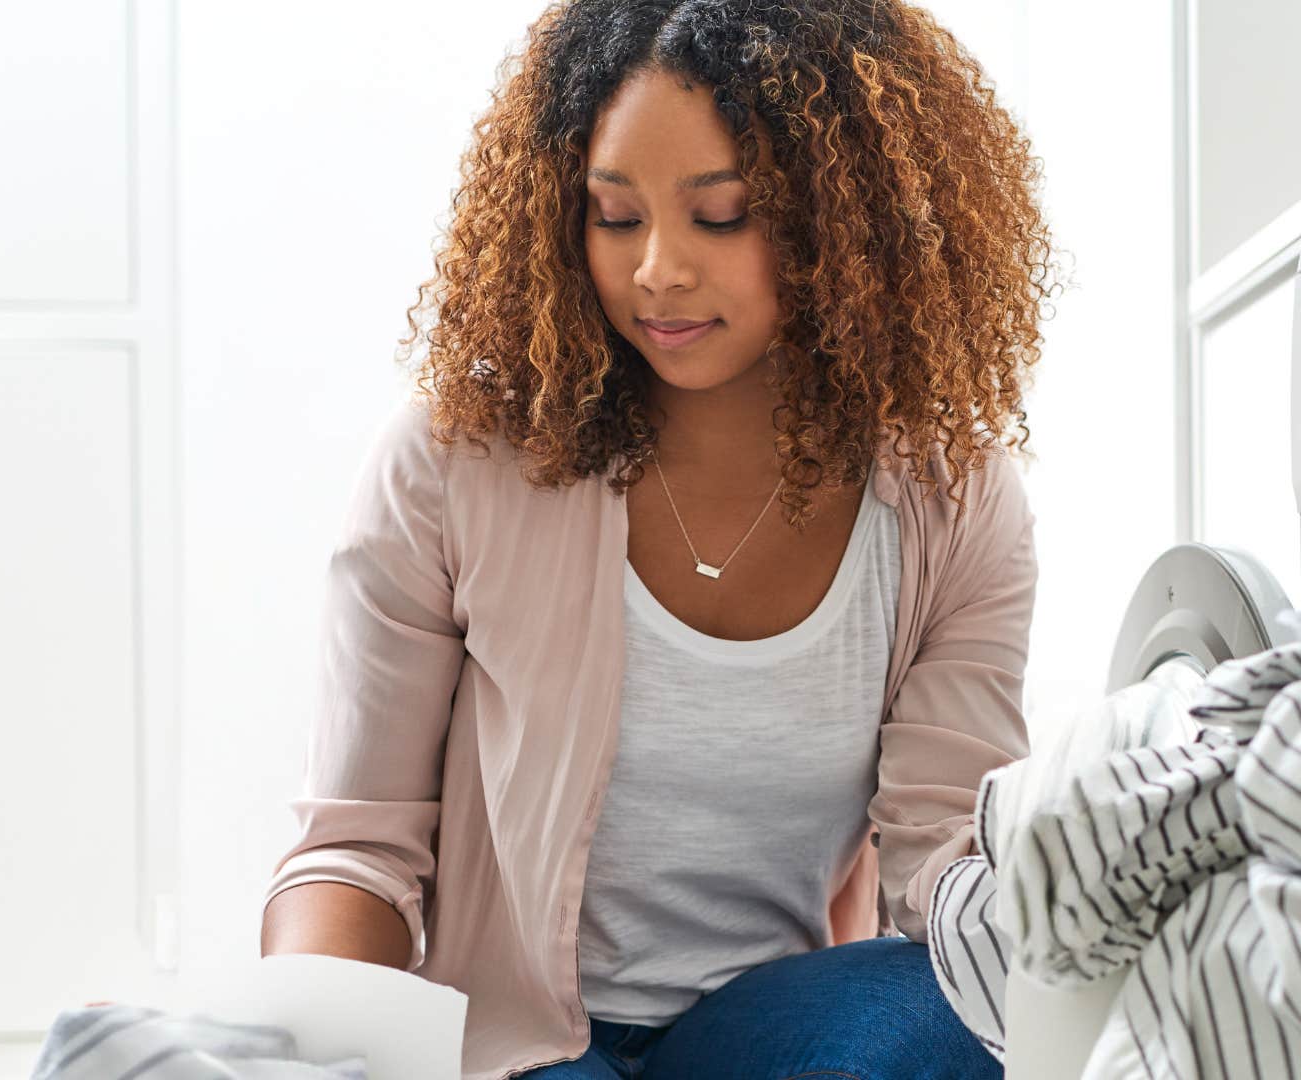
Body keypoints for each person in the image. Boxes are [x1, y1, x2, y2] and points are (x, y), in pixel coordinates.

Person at [260, 1, 1057, 1077]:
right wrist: (309, 1048)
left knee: (964, 1008)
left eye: (721, 215)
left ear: (846, 217)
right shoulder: (453, 461)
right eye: (615, 216)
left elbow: (947, 867)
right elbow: (357, 851)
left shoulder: (950, 499)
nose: (658, 270)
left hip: (773, 1029)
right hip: (520, 1043)